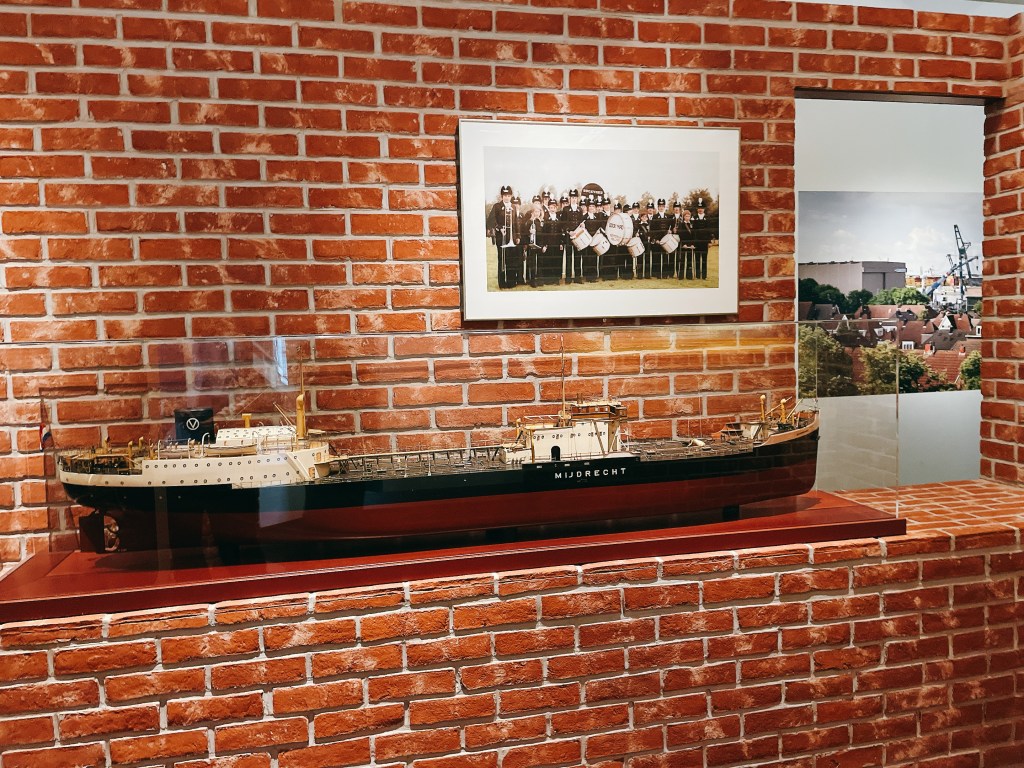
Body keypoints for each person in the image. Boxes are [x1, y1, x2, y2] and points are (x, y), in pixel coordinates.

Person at [488, 185, 516, 288]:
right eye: (505, 195)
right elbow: (491, 219)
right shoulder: (497, 206)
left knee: (510, 259)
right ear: (502, 196)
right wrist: (499, 227)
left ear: (511, 196)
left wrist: (517, 236)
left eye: (508, 195)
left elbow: (515, 222)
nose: (507, 198)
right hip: (501, 237)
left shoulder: (513, 207)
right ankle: (502, 283)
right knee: (502, 259)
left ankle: (511, 282)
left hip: (511, 237)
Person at [560, 189, 584, 284]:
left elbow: (581, 222)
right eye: (572, 197)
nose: (574, 199)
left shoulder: (580, 209)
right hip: (569, 236)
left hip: (578, 236)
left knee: (578, 256)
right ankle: (568, 278)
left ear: (577, 199)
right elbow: (563, 223)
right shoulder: (566, 209)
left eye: (575, 197)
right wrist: (568, 231)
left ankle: (577, 277)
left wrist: (582, 225)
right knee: (569, 256)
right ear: (569, 198)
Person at [693, 198, 712, 281]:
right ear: (697, 209)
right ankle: (697, 275)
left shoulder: (707, 218)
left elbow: (709, 230)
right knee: (697, 259)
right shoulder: (694, 218)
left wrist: (709, 241)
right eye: (699, 208)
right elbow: (693, 232)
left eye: (702, 208)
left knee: (704, 259)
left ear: (704, 209)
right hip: (697, 242)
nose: (700, 209)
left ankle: (704, 276)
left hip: (704, 242)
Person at [677, 208, 696, 280]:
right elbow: (680, 235)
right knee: (682, 260)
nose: (687, 217)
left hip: (690, 244)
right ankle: (681, 276)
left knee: (689, 260)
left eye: (688, 216)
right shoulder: (681, 224)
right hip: (683, 244)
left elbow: (694, 235)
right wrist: (683, 244)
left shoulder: (692, 224)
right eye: (686, 216)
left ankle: (689, 276)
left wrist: (693, 244)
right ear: (683, 217)